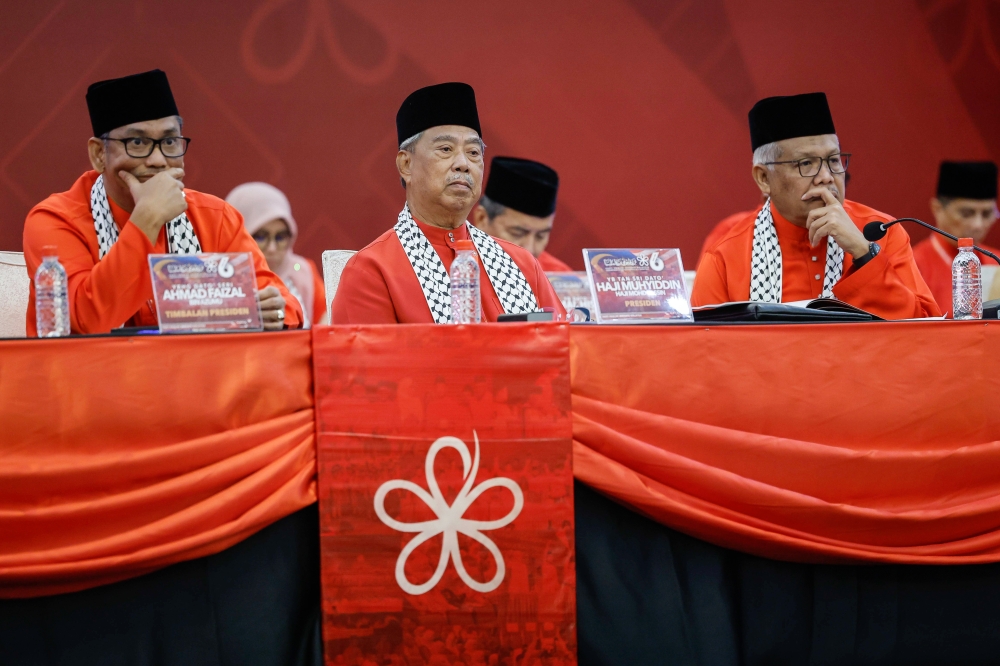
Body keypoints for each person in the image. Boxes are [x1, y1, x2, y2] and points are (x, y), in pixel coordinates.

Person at [22, 69, 300, 335]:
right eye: (138, 143)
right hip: (90, 379)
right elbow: (83, 320)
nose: (157, 160)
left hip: (197, 376)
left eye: (169, 142)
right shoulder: (55, 221)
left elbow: (286, 307)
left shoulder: (214, 217)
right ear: (98, 154)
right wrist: (147, 219)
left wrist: (271, 312)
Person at [692, 92, 939, 319]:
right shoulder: (725, 256)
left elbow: (926, 330)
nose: (826, 177)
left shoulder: (881, 232)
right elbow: (707, 351)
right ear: (764, 178)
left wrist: (864, 253)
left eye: (833, 160)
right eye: (806, 164)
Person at [332, 82, 564, 324]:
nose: (463, 163)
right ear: (406, 165)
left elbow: (564, 350)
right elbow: (367, 361)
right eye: (446, 149)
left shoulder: (521, 263)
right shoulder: (372, 271)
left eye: (474, 153)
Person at [226, 182, 327, 327]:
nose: (272, 248)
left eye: (280, 237)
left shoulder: (303, 270)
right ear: (239, 234)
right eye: (260, 237)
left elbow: (325, 320)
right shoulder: (219, 275)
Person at [912, 161, 999, 314]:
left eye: (986, 214)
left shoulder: (996, 261)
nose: (978, 225)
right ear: (937, 209)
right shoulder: (913, 265)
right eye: (966, 213)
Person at [471, 156, 572, 272]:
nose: (530, 250)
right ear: (481, 219)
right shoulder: (457, 271)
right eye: (517, 233)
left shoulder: (559, 277)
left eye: (541, 236)